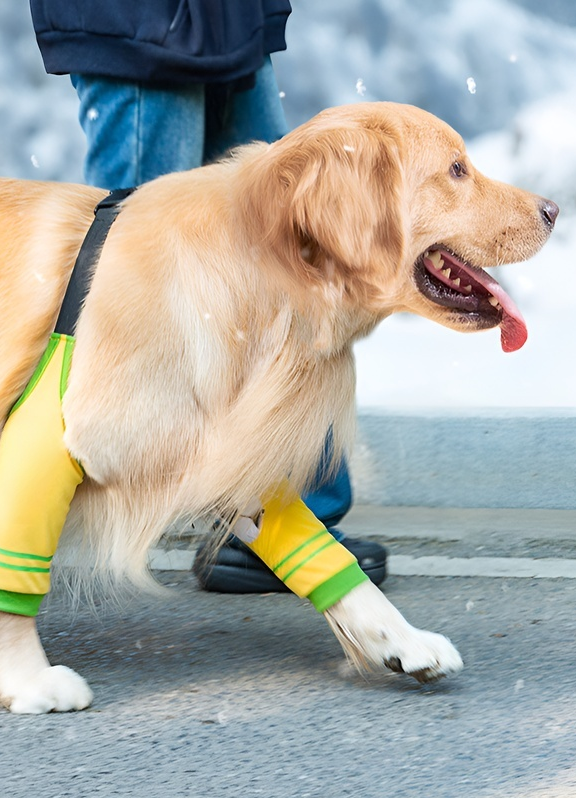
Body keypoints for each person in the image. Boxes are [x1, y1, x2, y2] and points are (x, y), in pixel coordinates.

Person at [30, 0, 388, 592]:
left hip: (225, 22)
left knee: (289, 259)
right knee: (109, 293)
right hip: (142, 29)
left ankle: (285, 518)